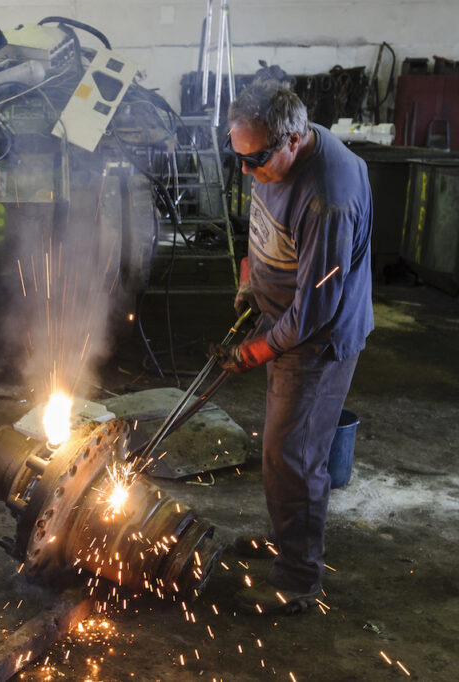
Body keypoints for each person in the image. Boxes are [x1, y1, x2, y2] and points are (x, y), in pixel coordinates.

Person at [210, 80, 374, 614]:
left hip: (315, 341)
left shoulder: (328, 197)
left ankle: (301, 577)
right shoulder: (268, 155)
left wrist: (255, 351)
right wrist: (250, 283)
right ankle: (288, 539)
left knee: (293, 454)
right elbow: (265, 223)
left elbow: (315, 312)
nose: (247, 171)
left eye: (254, 159)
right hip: (283, 318)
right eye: (238, 156)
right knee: (280, 451)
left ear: (294, 140)